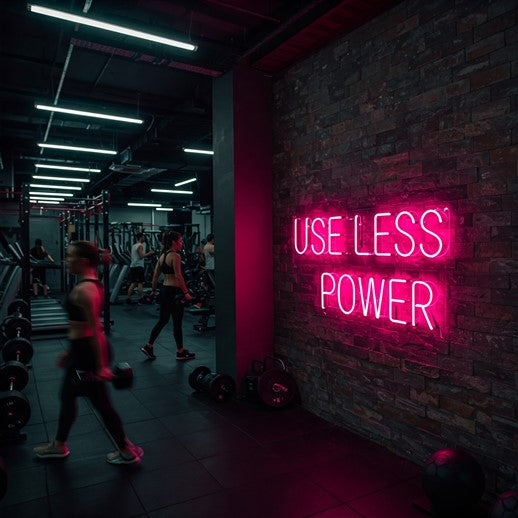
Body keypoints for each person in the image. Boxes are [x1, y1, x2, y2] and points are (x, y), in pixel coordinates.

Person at [33, 241, 143, 464]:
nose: (66, 260)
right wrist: (70, 352)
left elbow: (96, 332)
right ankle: (60, 444)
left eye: (70, 256)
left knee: (99, 403)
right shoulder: (88, 284)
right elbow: (81, 326)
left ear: (82, 262)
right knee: (70, 397)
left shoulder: (86, 290)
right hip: (81, 351)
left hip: (88, 353)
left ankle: (126, 450)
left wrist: (101, 365)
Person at [141, 231, 195, 361]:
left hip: (164, 291)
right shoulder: (175, 256)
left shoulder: (162, 256)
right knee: (177, 323)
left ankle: (149, 346)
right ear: (173, 242)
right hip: (174, 292)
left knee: (163, 320)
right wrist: (186, 293)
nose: (181, 243)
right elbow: (178, 275)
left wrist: (154, 290)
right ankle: (180, 352)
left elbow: (155, 276)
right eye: (180, 241)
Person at [126, 232, 154, 305]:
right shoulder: (140, 246)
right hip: (138, 266)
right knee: (140, 283)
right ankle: (141, 299)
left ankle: (128, 299)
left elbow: (132, 255)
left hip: (133, 266)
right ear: (141, 237)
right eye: (143, 237)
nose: (144, 238)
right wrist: (150, 253)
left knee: (133, 283)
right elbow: (141, 256)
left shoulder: (134, 246)